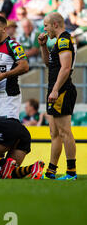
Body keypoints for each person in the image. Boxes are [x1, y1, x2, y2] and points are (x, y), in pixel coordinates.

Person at [38, 12, 77, 180]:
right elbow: (49, 64)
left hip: (62, 90)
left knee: (64, 131)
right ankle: (51, 171)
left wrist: (55, 90)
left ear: (55, 24)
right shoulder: (58, 43)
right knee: (54, 133)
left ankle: (71, 172)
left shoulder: (64, 41)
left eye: (46, 25)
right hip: (55, 89)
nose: (44, 29)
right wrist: (43, 46)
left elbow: (66, 68)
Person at [0, 15, 29, 120]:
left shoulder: (14, 46)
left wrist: (4, 75)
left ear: (4, 29)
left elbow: (25, 66)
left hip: (9, 97)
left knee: (7, 132)